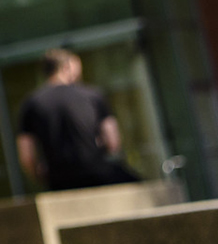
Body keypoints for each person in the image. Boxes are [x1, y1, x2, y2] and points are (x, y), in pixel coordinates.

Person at [16, 48, 141, 191]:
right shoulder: (93, 95)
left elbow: (27, 157)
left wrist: (41, 177)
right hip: (98, 175)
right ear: (67, 67)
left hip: (59, 181)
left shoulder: (31, 103)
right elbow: (113, 142)